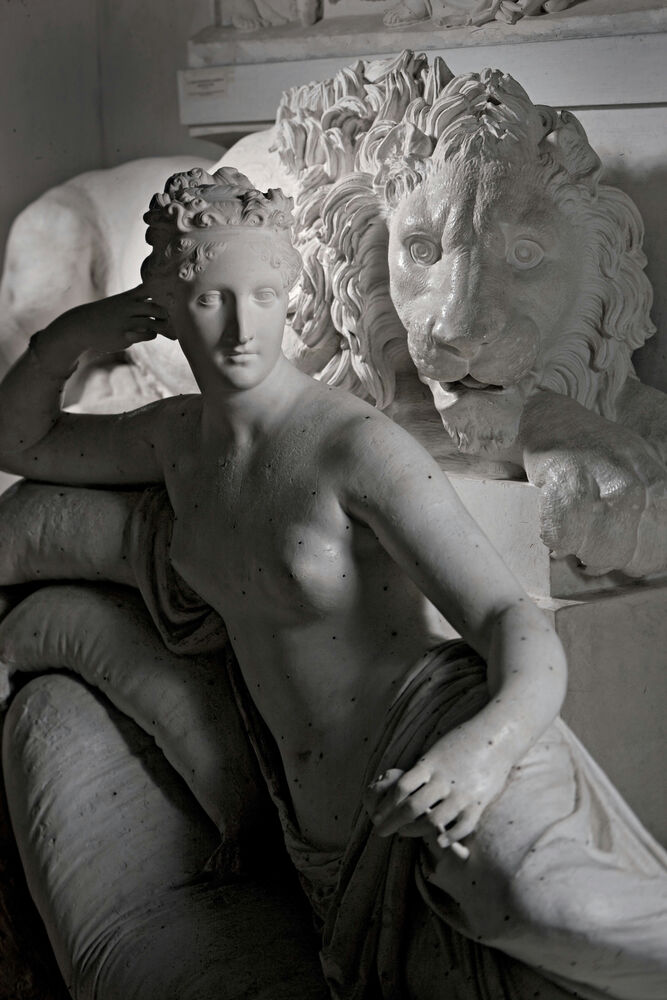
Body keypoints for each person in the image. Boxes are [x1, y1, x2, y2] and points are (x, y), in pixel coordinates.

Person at [0, 166, 665, 1000]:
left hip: (444, 743)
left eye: (264, 297)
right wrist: (73, 336)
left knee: (555, 912)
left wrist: (481, 752)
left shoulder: (353, 446)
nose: (241, 328)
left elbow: (506, 616)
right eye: (210, 300)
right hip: (338, 826)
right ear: (164, 307)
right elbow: (21, 444)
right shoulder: (176, 440)